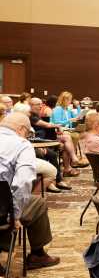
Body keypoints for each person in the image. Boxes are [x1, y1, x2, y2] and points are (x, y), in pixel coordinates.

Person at [0, 113, 60, 269]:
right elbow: (23, 182)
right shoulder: (21, 144)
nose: (27, 137)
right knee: (38, 203)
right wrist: (15, 215)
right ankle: (38, 255)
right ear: (21, 129)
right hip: (1, 209)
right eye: (28, 133)